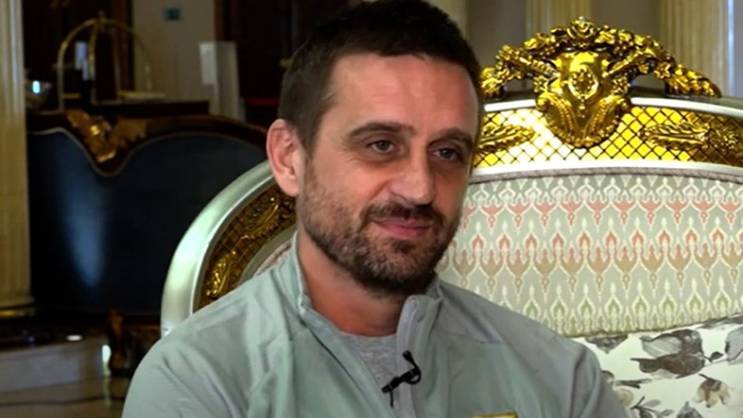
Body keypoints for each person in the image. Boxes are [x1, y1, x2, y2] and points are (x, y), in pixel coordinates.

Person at [124, 1, 627, 417]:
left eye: (447, 152)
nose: (420, 188)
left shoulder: (559, 380)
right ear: (289, 158)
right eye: (381, 145)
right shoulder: (198, 384)